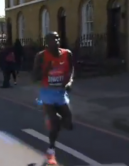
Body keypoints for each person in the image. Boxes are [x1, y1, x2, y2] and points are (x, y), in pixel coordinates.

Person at [32, 31, 74, 165]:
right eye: (51, 39)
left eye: (57, 38)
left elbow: (72, 70)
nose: (55, 41)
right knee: (55, 123)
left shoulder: (67, 54)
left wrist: (70, 82)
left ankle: (53, 120)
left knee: (69, 124)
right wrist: (46, 69)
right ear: (46, 42)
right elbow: (34, 77)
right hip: (47, 92)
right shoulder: (41, 56)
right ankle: (51, 148)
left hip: (61, 92)